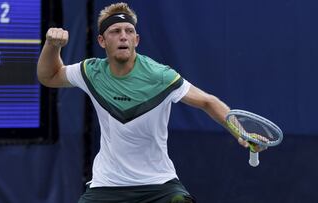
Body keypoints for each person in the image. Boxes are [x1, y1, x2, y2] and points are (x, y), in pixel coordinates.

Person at [37, 2, 265, 203]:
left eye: (129, 31)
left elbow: (208, 102)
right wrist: (52, 45)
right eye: (115, 31)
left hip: (159, 184)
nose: (123, 36)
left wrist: (241, 132)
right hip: (108, 185)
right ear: (102, 40)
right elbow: (49, 76)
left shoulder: (160, 76)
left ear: (136, 40)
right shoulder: (91, 72)